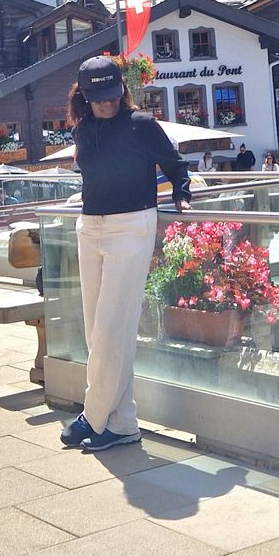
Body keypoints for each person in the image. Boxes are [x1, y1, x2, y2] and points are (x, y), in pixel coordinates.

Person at [60, 55, 191, 453]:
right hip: (90, 226)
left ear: (121, 90)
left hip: (132, 225)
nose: (107, 104)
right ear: (84, 97)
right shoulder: (82, 130)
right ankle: (123, 423)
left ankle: (93, 414)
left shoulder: (142, 125)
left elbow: (174, 164)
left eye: (112, 95)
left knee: (113, 327)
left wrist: (182, 193)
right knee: (96, 329)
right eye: (98, 98)